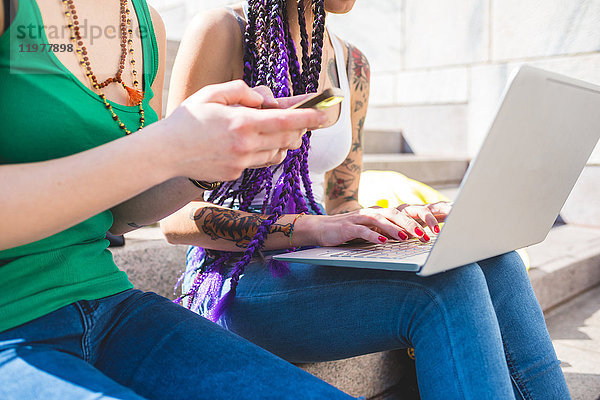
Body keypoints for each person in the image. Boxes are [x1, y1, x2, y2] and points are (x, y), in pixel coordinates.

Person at [161, 1, 571, 399]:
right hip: (234, 278)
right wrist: (308, 226)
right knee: (447, 286)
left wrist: (397, 221)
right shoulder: (223, 31)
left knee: (498, 260)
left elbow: (343, 203)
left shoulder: (352, 64)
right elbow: (173, 216)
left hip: (313, 257)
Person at [0, 0, 359, 399]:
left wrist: (201, 164)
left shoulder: (142, 19)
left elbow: (122, 217)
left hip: (110, 306)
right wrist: (167, 146)